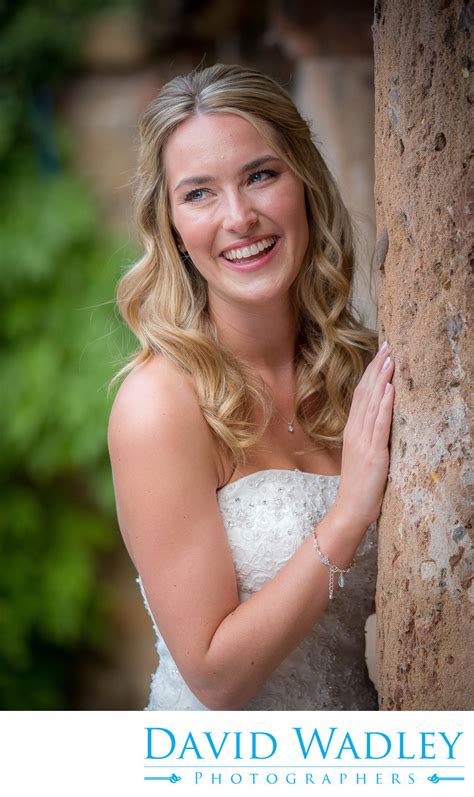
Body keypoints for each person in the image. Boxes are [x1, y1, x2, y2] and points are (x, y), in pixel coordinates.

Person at [108, 63, 395, 711]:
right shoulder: (159, 405)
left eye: (260, 175)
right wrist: (348, 513)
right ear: (174, 227)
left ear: (303, 183)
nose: (239, 216)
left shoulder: (361, 370)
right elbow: (215, 677)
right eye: (199, 193)